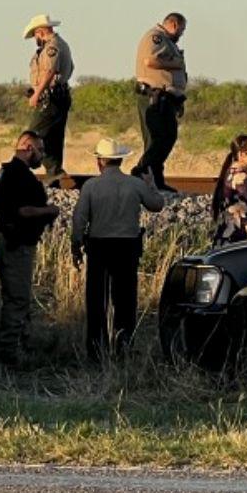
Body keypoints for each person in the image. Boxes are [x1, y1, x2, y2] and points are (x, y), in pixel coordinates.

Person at [71, 138, 164, 360]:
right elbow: (157, 204)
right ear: (120, 160)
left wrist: (76, 245)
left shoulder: (91, 186)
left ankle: (96, 350)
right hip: (127, 247)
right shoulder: (135, 184)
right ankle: (124, 346)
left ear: (100, 161)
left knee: (97, 300)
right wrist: (151, 183)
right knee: (125, 299)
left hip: (99, 246)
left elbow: (79, 219)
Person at [0, 131, 59, 364]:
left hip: (9, 240)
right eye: (40, 150)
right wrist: (48, 211)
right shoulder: (19, 176)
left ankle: (21, 342)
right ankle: (9, 351)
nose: (42, 155)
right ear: (28, 147)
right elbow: (22, 210)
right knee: (17, 298)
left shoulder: (9, 172)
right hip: (16, 243)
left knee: (16, 296)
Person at [132, 12, 188, 193]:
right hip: (155, 97)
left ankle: (155, 179)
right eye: (181, 29)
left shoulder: (167, 41)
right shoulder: (155, 37)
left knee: (163, 138)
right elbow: (150, 60)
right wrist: (176, 64)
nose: (182, 33)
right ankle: (141, 172)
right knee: (161, 138)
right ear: (173, 24)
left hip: (166, 99)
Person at [22, 13, 75, 185]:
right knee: (52, 138)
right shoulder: (59, 45)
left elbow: (49, 71)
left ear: (40, 31)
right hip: (58, 96)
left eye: (35, 34)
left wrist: (37, 93)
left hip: (51, 98)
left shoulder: (52, 47)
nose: (35, 38)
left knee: (33, 135)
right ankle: (54, 174)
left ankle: (21, 170)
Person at [211, 134, 247, 246]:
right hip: (238, 240)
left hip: (225, 235)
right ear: (241, 154)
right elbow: (245, 213)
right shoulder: (242, 178)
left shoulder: (230, 172)